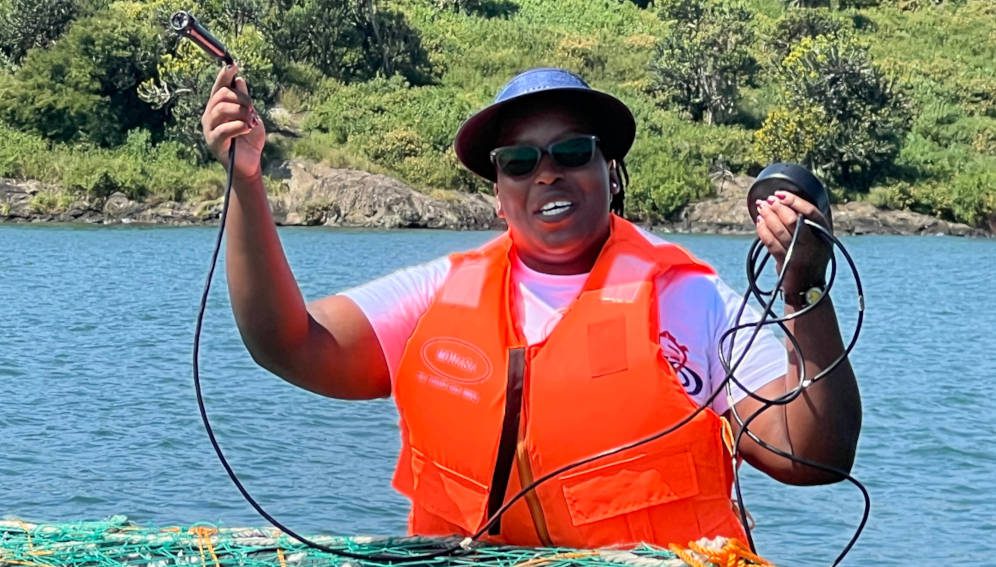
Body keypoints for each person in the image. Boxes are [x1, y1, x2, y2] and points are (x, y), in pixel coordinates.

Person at [201, 65, 861, 548]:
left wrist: (803, 288)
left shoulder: (689, 299)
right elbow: (286, 341)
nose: (546, 172)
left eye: (572, 151)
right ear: (498, 193)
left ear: (612, 172)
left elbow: (813, 455)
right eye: (518, 161)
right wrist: (247, 179)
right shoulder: (435, 294)